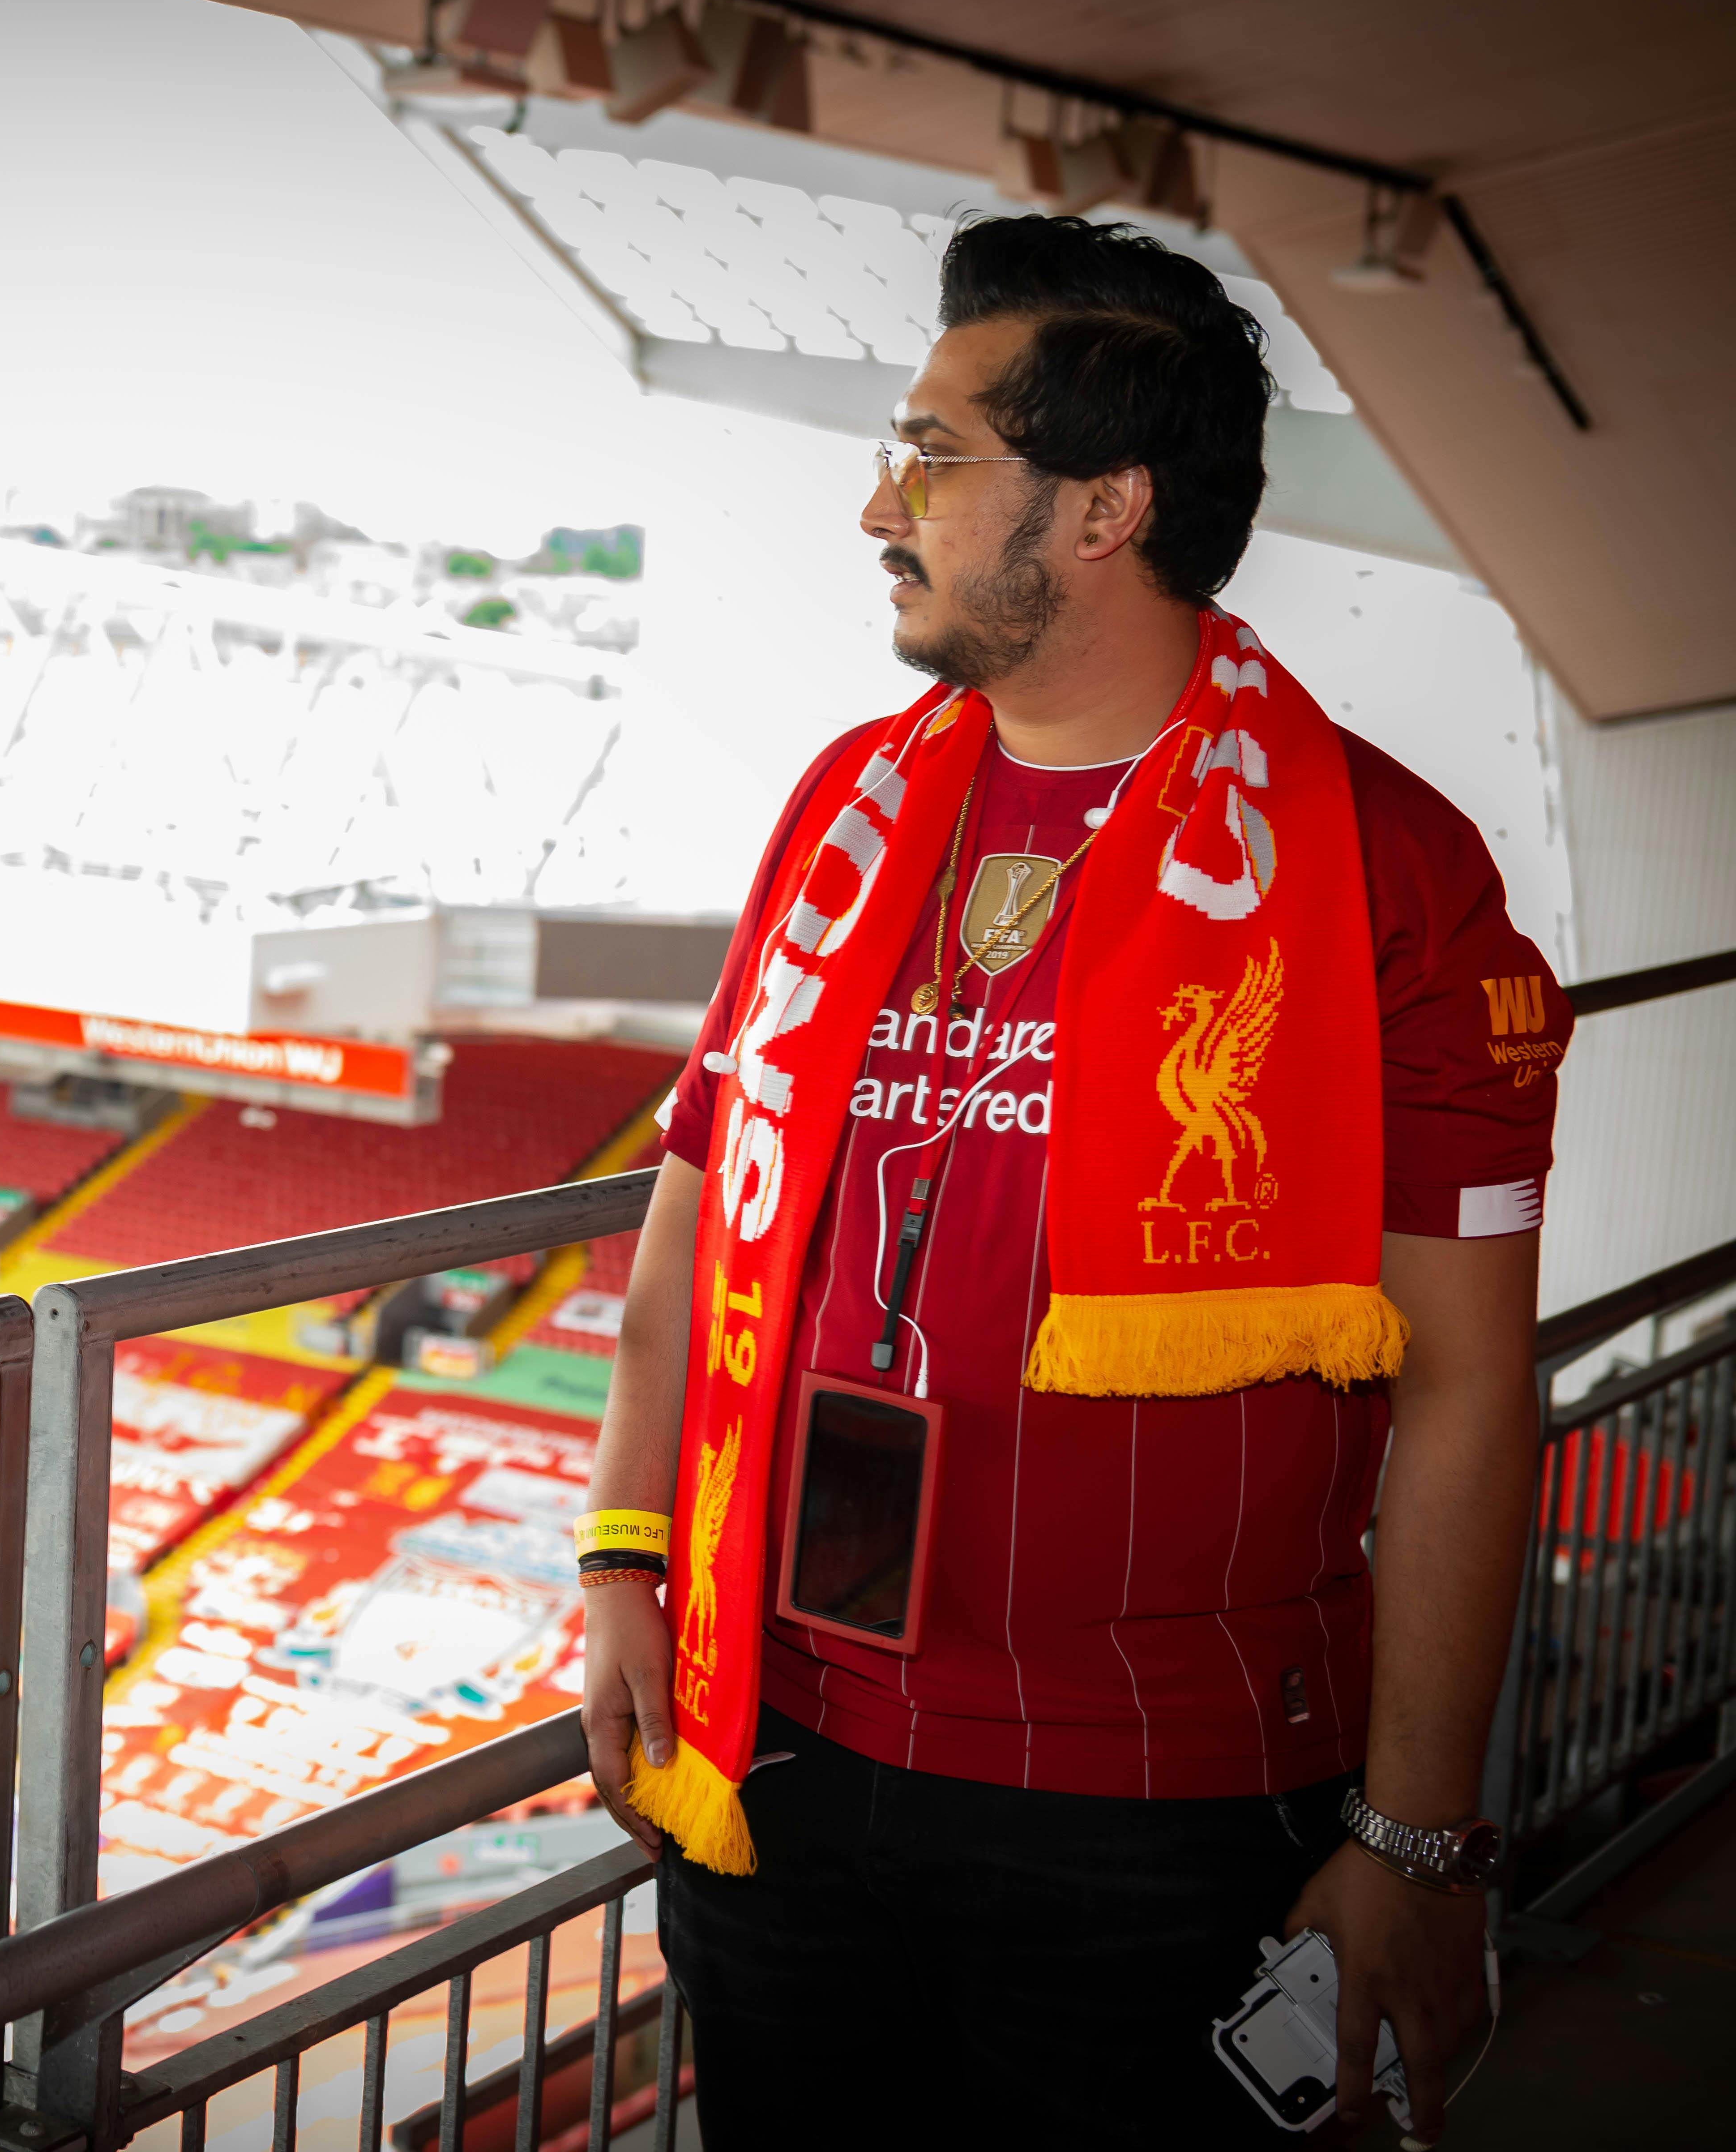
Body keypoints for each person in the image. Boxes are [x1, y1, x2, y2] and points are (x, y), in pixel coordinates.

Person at [576, 213, 1567, 2149]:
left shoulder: (1386, 864)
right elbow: (698, 1200)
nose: (882, 502)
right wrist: (628, 1555)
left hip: (1162, 1814)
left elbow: (1465, 1384)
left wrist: (1418, 1840)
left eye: (933, 454)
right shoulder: (848, 802)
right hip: (777, 1753)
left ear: (1106, 505)